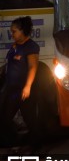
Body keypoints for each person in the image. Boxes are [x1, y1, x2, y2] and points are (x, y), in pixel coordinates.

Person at [0, 16, 40, 149]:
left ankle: (36, 147)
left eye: (14, 31)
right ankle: (13, 144)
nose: (12, 34)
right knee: (5, 118)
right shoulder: (15, 46)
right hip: (12, 90)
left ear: (22, 31)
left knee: (30, 119)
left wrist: (27, 87)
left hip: (24, 91)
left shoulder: (31, 47)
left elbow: (33, 67)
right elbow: (10, 64)